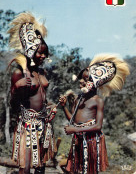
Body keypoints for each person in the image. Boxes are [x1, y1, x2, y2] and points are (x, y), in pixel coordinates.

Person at [59, 54, 130, 174]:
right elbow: (73, 120)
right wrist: (64, 107)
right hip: (78, 139)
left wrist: (75, 130)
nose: (81, 81)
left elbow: (98, 126)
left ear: (95, 83)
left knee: (90, 170)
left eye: (86, 79)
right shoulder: (78, 99)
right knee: (75, 170)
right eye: (81, 78)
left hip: (91, 140)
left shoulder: (98, 100)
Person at [8, 12, 57, 174]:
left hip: (43, 125)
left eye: (45, 53)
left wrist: (50, 107)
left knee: (40, 167)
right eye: (39, 52)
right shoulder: (19, 73)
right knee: (26, 168)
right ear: (30, 51)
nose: (43, 56)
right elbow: (13, 104)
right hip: (28, 127)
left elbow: (43, 98)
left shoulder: (41, 72)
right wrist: (17, 87)